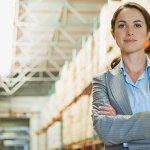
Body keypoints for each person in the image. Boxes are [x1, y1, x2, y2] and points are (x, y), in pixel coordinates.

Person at [92, 2, 150, 150]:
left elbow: (114, 131)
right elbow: (105, 131)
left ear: (148, 33)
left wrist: (119, 121)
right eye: (122, 25)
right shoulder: (102, 81)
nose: (130, 32)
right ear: (113, 34)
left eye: (137, 25)